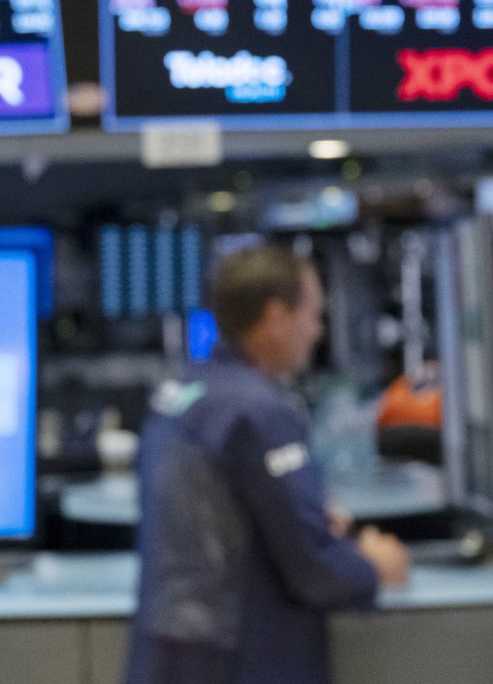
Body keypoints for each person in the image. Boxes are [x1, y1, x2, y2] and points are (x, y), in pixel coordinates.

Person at [126, 245, 410, 684]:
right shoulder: (258, 411)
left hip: (168, 658)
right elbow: (313, 571)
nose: (317, 331)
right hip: (237, 661)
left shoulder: (180, 394)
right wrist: (375, 567)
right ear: (276, 317)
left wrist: (308, 519)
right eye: (313, 314)